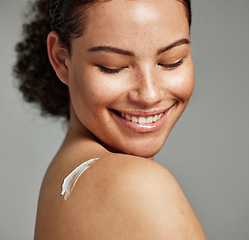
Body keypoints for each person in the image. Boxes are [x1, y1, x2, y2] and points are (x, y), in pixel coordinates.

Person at [14, 0, 207, 239]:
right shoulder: (135, 185)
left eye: (172, 61)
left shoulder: (65, 176)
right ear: (61, 59)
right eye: (112, 67)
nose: (149, 95)